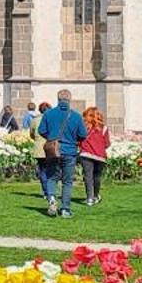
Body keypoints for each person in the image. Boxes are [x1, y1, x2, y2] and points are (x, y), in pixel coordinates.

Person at [34, 88, 88, 218]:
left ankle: (52, 198)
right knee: (67, 181)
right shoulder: (76, 116)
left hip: (53, 150)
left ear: (58, 99)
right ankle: (65, 209)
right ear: (69, 100)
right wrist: (73, 139)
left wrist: (52, 139)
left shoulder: (48, 114)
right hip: (69, 151)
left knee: (52, 177)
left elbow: (41, 130)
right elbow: (83, 134)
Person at [80, 106, 111, 207]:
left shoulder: (84, 127)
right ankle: (96, 195)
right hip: (100, 156)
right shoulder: (104, 128)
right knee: (97, 177)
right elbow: (107, 144)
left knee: (88, 177)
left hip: (86, 154)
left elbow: (79, 140)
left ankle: (89, 198)